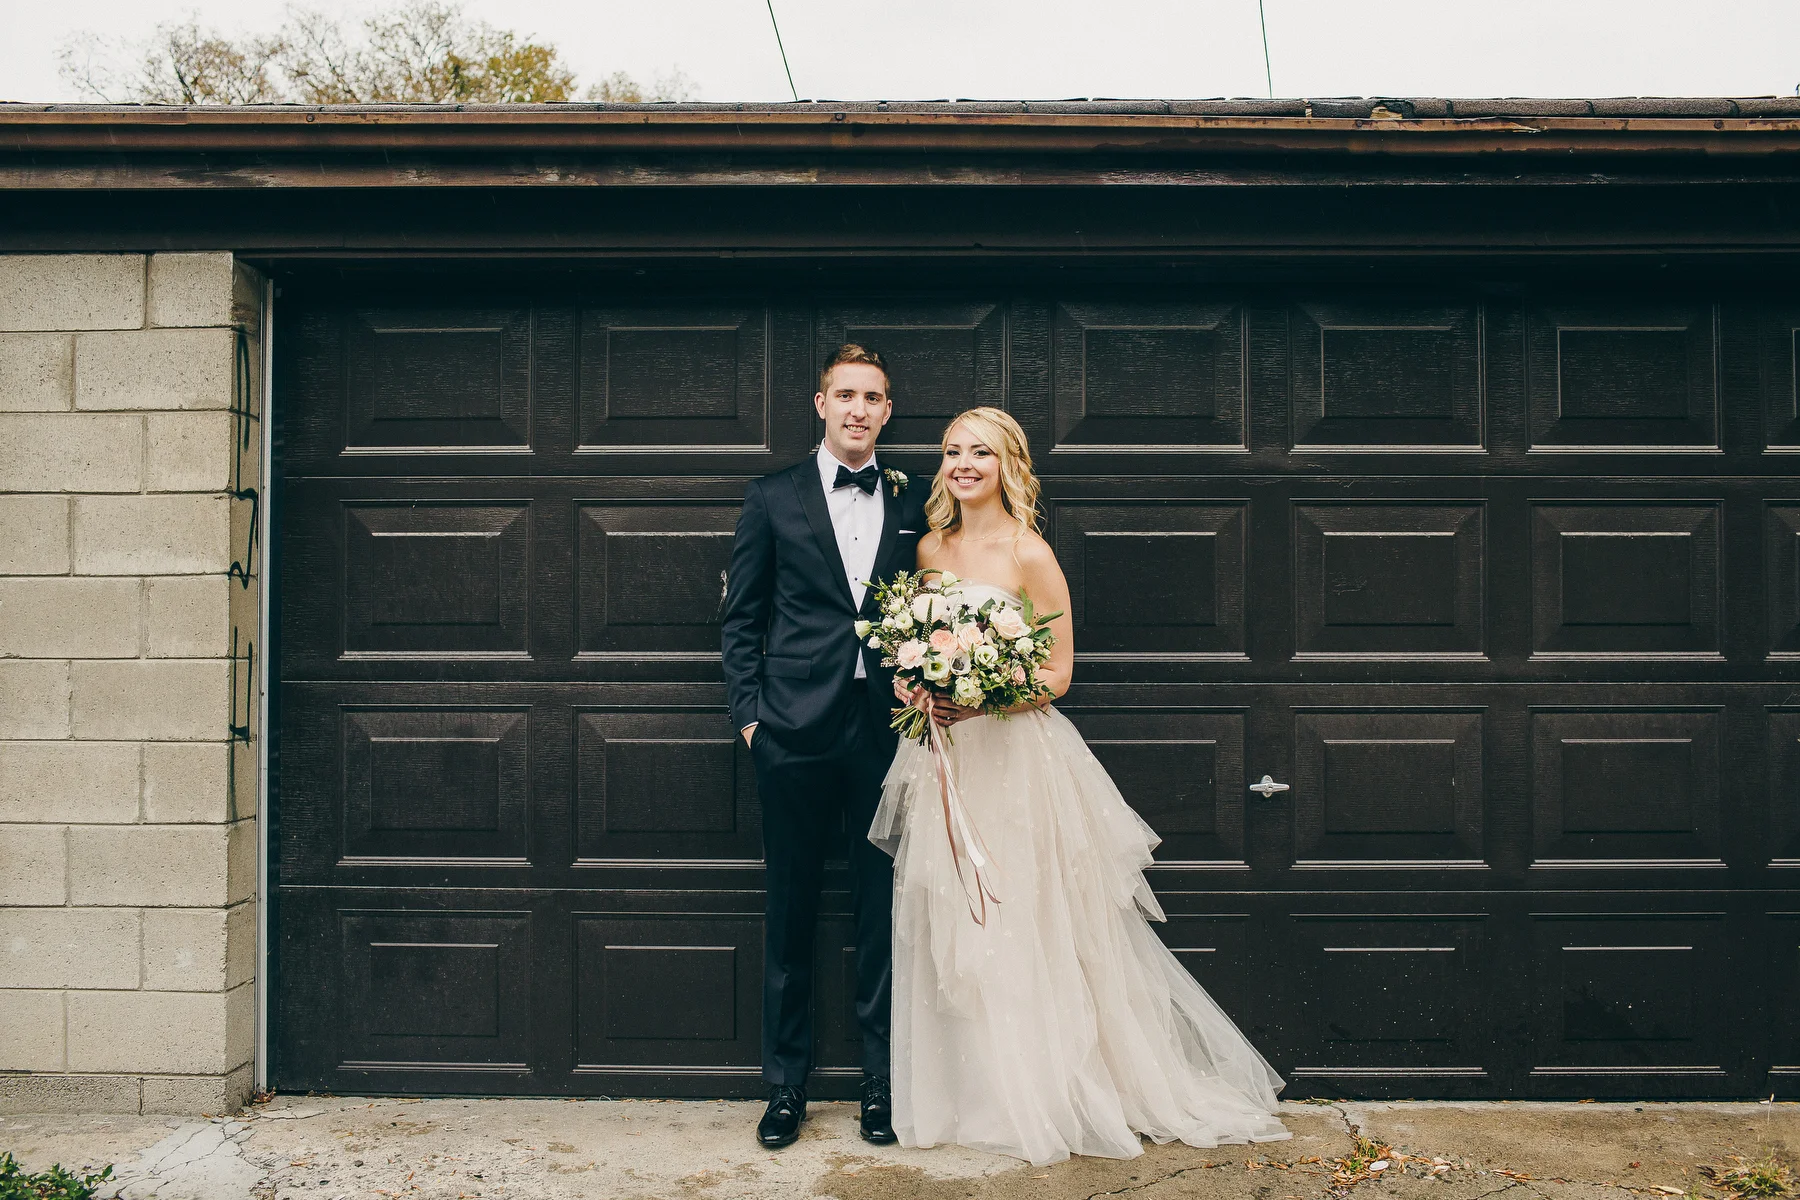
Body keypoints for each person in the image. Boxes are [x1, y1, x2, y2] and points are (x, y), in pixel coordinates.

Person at [870, 406, 1289, 1167]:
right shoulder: (930, 547)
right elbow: (915, 649)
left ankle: (1044, 1093)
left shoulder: (1029, 553)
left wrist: (982, 697)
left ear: (1008, 464)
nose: (963, 464)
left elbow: (1058, 673)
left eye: (980, 452)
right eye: (953, 451)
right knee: (953, 922)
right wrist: (918, 686)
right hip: (945, 758)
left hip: (1015, 762)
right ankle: (974, 1096)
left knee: (1023, 920)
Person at [720, 344, 929, 1149]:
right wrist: (752, 720)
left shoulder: (914, 497)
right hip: (793, 732)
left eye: (872, 398)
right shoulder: (772, 496)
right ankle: (785, 1087)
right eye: (845, 395)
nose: (858, 410)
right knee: (791, 907)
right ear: (821, 404)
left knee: (882, 908)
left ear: (887, 410)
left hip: (885, 730)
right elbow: (742, 618)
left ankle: (881, 1083)